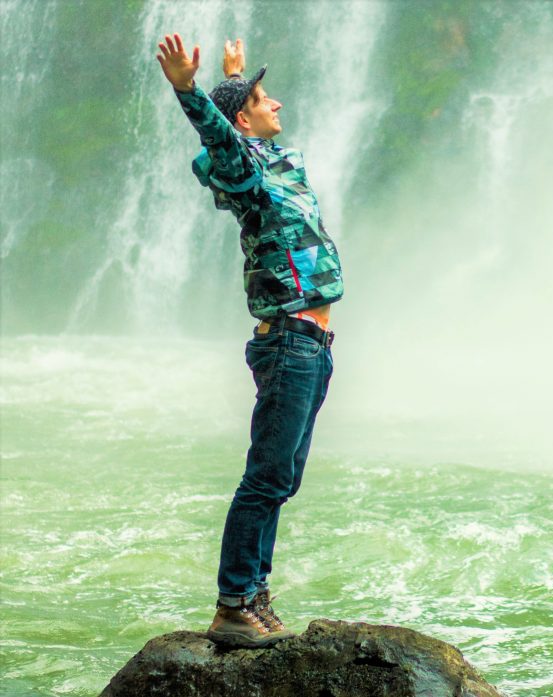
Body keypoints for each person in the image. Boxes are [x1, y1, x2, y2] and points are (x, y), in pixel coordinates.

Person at [156, 33, 343, 648]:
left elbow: (243, 139)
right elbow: (219, 146)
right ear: (242, 120)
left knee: (281, 478)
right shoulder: (246, 172)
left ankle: (254, 594)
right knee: (265, 477)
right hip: (288, 341)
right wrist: (192, 91)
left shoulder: (278, 163)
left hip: (314, 346)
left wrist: (236, 81)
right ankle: (233, 603)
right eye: (266, 99)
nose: (279, 103)